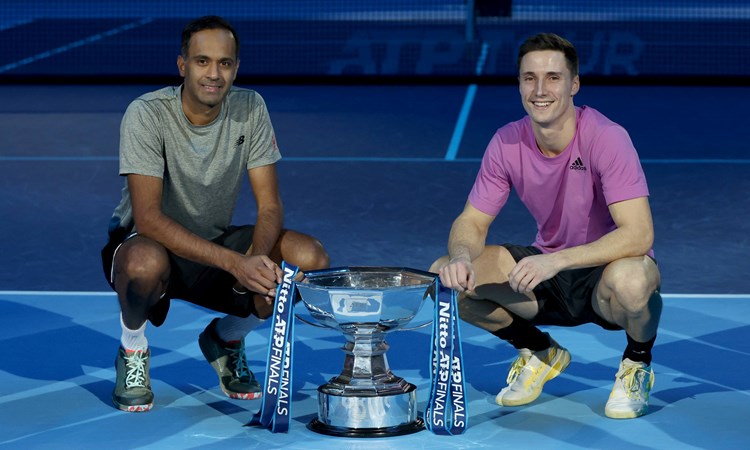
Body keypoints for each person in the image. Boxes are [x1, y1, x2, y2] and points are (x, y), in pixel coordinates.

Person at [101, 16, 329, 412]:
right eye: (202, 61)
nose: (214, 73)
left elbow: (270, 205)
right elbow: (149, 217)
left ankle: (225, 338)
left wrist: (255, 264)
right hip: (148, 245)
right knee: (142, 264)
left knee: (307, 259)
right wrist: (237, 265)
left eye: (224, 63)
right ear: (182, 65)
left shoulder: (250, 107)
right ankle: (133, 350)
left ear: (236, 68)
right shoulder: (146, 113)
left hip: (214, 243)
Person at [431, 33, 661, 419]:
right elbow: (472, 220)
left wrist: (555, 261)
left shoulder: (607, 138)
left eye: (553, 77)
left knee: (634, 283)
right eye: (529, 78)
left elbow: (639, 235)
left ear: (574, 84)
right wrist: (459, 257)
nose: (540, 90)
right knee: (447, 278)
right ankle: (540, 351)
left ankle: (637, 362)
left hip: (606, 274)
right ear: (519, 83)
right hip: (546, 272)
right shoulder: (506, 142)